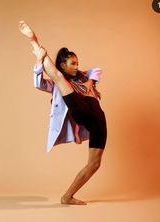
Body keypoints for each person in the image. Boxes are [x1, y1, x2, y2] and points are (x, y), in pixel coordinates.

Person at [19, 21, 107, 205]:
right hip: (80, 110)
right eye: (72, 63)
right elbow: (39, 83)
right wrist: (38, 59)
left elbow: (97, 70)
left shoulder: (83, 76)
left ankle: (67, 196)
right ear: (63, 64)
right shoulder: (60, 84)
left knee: (95, 164)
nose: (76, 66)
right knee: (58, 78)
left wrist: (89, 83)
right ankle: (35, 42)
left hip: (98, 120)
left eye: (77, 63)